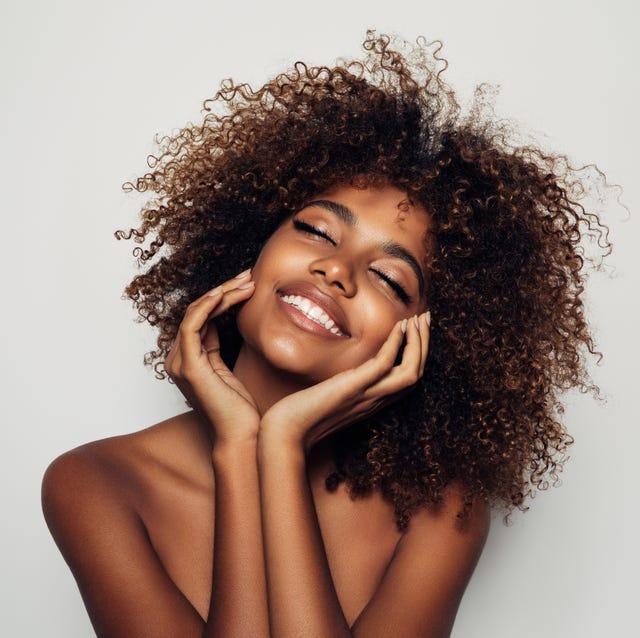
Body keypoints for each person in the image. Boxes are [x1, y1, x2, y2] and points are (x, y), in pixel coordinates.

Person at [41, 33, 609, 638]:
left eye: (391, 280)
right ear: (251, 245)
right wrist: (241, 446)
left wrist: (278, 448)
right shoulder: (98, 483)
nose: (336, 271)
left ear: (425, 338)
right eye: (316, 230)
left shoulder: (440, 510)